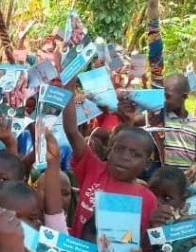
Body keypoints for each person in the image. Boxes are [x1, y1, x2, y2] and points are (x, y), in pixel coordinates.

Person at [63, 99, 157, 237]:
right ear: (109, 150)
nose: (125, 157)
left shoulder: (147, 199)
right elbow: (71, 130)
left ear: (147, 164)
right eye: (119, 149)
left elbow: (145, 242)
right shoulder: (93, 169)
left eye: (135, 154)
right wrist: (69, 85)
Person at [162, 73, 196, 180]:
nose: (163, 100)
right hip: (162, 180)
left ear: (184, 96)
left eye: (167, 96)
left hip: (185, 181)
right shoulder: (159, 119)